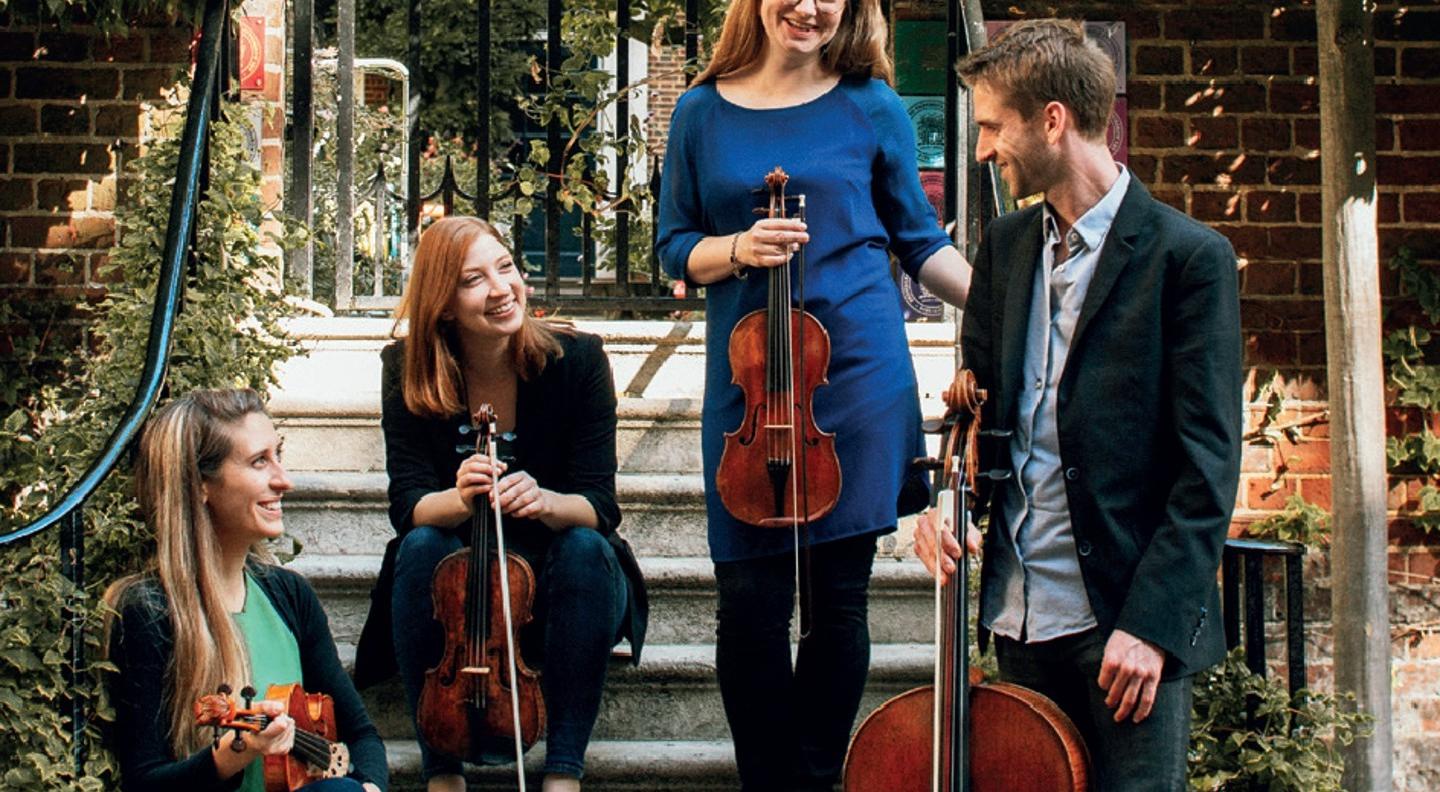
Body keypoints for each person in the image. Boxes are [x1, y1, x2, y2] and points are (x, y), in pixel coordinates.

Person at [913, 19, 1243, 791]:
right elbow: (982, 419)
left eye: (993, 125)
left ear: (1053, 120)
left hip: (1124, 630)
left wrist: (1153, 628)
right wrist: (945, 507)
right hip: (1018, 618)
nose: (984, 148)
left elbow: (1208, 468)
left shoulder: (1189, 260)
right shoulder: (1006, 245)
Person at [655, 0, 971, 787]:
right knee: (750, 609)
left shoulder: (872, 104)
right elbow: (673, 246)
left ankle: (818, 778)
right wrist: (736, 247)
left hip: (857, 372)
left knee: (839, 603)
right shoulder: (699, 110)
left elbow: (919, 241)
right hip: (750, 380)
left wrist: (1011, 307)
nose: (810, 6)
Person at [351, 216, 648, 792]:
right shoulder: (406, 369)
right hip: (458, 611)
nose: (500, 288)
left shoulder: (579, 360)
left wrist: (543, 501)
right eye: (473, 279)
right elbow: (408, 506)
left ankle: (564, 771)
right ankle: (441, 772)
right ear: (442, 304)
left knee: (586, 546)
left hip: (563, 597)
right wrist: (458, 497)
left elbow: (599, 506)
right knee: (420, 546)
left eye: (505, 267)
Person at [105, 388, 387, 792]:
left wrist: (370, 787)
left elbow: (361, 736)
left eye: (278, 456)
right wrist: (233, 755)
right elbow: (145, 783)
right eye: (259, 462)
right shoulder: (149, 610)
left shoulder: (288, 595)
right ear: (201, 484)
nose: (283, 480)